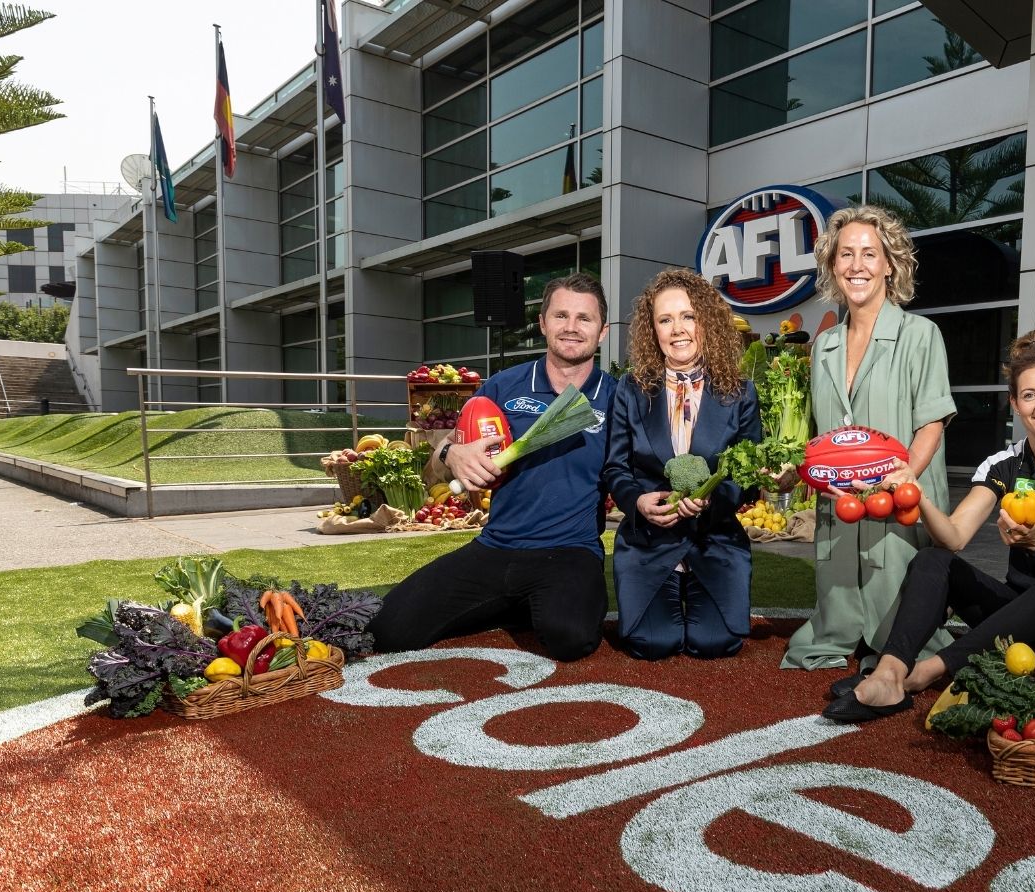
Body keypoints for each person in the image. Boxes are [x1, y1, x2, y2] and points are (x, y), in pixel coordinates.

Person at [824, 328, 1035, 723]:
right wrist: (916, 494)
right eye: (1029, 395)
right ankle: (890, 673)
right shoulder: (1003, 464)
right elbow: (953, 538)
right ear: (1015, 404)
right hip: (1019, 626)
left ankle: (925, 673)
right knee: (934, 560)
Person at [366, 273, 615, 660]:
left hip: (569, 551)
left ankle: (532, 601)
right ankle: (514, 603)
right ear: (543, 324)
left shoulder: (617, 398)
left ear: (602, 332)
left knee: (570, 639)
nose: (571, 327)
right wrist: (452, 454)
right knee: (386, 630)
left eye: (584, 318)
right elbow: (438, 461)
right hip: (496, 546)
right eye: (561, 315)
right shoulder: (504, 385)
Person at [782, 205, 957, 675]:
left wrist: (906, 475)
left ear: (889, 264)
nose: (856, 265)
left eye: (869, 254)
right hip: (841, 499)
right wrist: (801, 470)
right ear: (832, 266)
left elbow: (932, 423)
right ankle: (837, 632)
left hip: (896, 495)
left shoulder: (921, 335)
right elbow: (821, 432)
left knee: (900, 622)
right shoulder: (824, 345)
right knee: (836, 604)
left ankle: (900, 642)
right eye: (845, 255)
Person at [602, 268, 760, 659]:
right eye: (665, 319)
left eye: (688, 316)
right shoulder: (631, 390)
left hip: (714, 539)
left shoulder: (739, 392)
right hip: (650, 542)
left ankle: (698, 586)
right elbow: (615, 468)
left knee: (716, 644)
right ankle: (666, 585)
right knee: (652, 644)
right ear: (652, 330)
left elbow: (749, 478)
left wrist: (713, 500)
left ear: (705, 321)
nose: (678, 329)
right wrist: (638, 501)